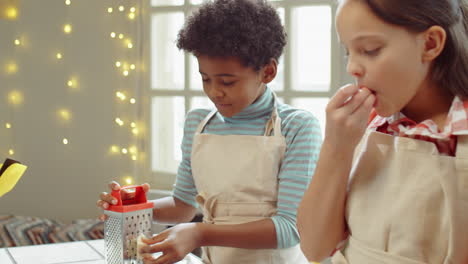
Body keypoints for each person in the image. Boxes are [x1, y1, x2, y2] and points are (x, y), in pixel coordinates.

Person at [97, 0, 322, 263]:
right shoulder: (198, 124)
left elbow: (290, 229)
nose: (215, 91)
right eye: (205, 78)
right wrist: (133, 207)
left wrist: (201, 233)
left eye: (228, 81)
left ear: (268, 72)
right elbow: (183, 207)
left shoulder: (298, 127)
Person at [297, 0, 468, 263]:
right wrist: (335, 147)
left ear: (431, 44)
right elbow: (316, 249)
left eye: (370, 50)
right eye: (348, 52)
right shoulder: (363, 127)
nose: (351, 68)